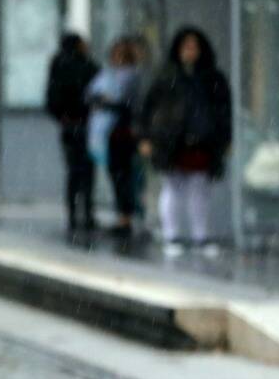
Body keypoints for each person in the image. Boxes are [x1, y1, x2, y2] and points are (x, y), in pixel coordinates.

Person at [139, 26, 233, 256]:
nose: (190, 52)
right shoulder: (166, 77)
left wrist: (224, 138)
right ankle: (172, 235)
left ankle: (201, 236)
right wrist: (146, 137)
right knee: (173, 188)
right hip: (172, 141)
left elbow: (224, 111)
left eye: (194, 47)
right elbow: (147, 108)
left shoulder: (212, 78)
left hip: (202, 141)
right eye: (186, 47)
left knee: (199, 190)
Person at [85, 36, 146, 238]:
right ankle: (123, 215)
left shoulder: (133, 77)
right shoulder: (107, 75)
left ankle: (127, 217)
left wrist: (107, 103)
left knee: (126, 177)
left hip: (124, 133)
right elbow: (90, 96)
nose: (118, 59)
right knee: (117, 176)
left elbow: (129, 105)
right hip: (110, 134)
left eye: (121, 55)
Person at [44, 33, 100, 234]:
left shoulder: (58, 65)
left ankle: (73, 214)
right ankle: (87, 212)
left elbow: (51, 98)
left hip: (69, 124)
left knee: (73, 171)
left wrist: (62, 116)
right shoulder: (87, 66)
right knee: (86, 171)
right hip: (86, 123)